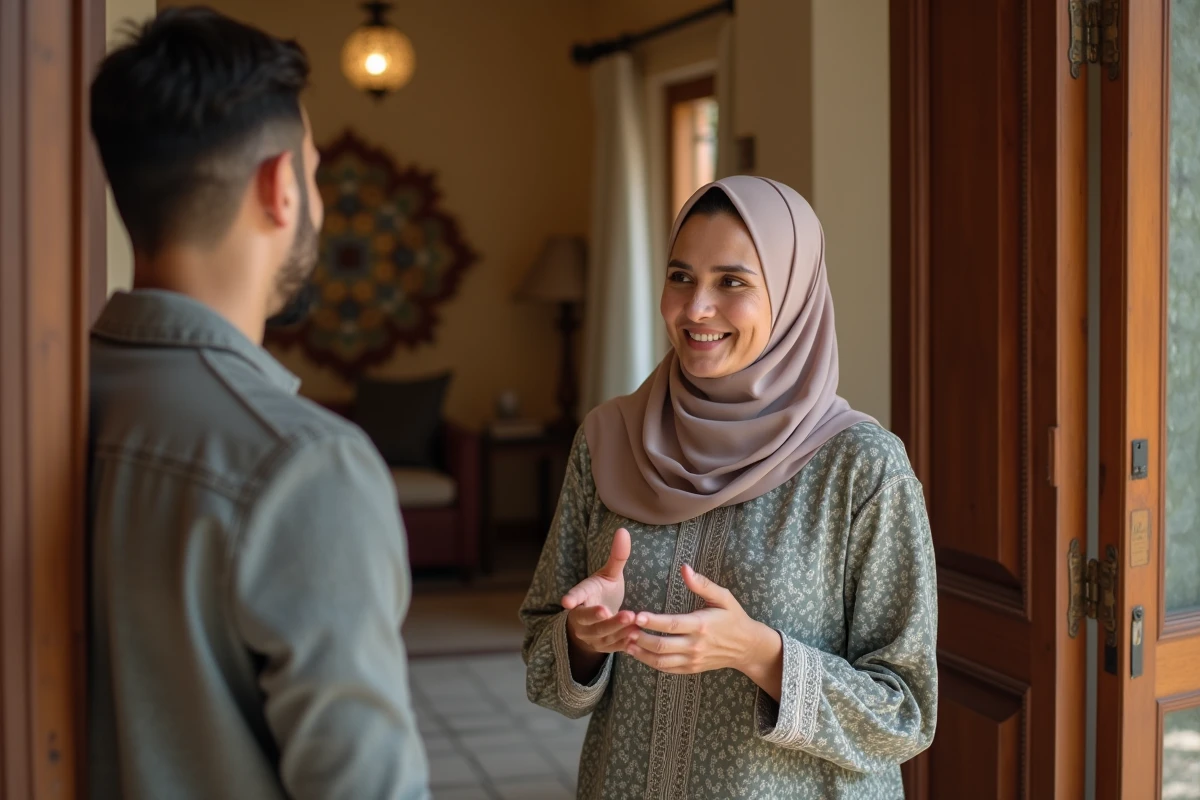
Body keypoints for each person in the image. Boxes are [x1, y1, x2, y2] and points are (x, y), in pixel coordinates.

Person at [87, 8, 428, 799]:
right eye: (312, 171)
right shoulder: (303, 464)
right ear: (279, 187)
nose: (315, 195)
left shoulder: (51, 403)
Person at [522, 176, 937, 798]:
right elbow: (539, 657)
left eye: (733, 282)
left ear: (793, 295)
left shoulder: (860, 468)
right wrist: (584, 640)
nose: (695, 309)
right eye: (680, 276)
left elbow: (906, 713)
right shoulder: (607, 439)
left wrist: (762, 655)